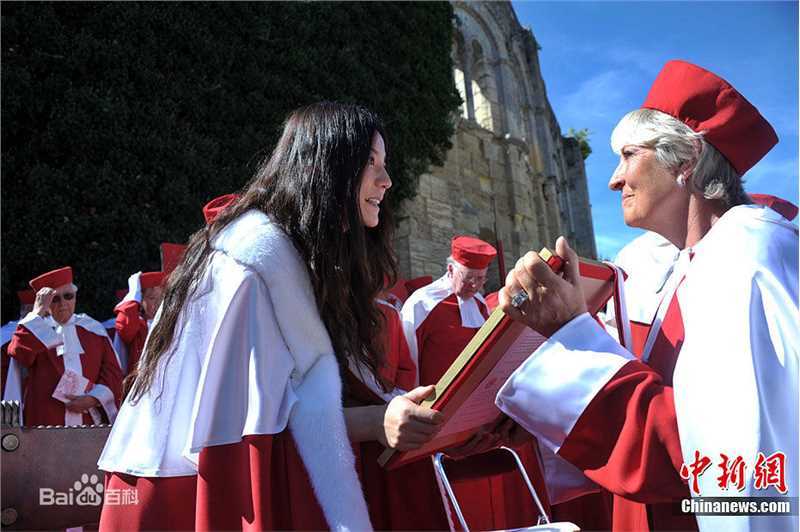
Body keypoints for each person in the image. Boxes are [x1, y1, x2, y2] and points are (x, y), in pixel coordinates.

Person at [97, 102, 444, 531]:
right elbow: (255, 430)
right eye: (371, 163)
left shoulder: (293, 257)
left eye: (384, 164)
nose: (387, 181)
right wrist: (377, 421)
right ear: (327, 168)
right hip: (176, 495)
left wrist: (389, 413)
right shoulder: (251, 264)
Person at [496, 60, 798, 532]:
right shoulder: (694, 262)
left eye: (628, 156)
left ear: (687, 161)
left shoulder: (749, 257)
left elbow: (729, 472)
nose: (614, 180)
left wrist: (568, 334)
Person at [401, 237, 549, 531]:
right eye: (468, 278)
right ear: (450, 269)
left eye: (480, 280)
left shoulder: (482, 307)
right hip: (436, 418)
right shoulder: (422, 303)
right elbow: (408, 362)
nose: (473, 286)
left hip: (476, 421)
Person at [7, 266, 123, 426]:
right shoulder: (34, 329)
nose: (63, 304)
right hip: (45, 420)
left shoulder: (93, 329)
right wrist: (37, 313)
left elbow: (113, 372)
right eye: (55, 299)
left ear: (75, 297)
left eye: (68, 296)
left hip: (88, 419)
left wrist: (94, 398)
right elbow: (19, 353)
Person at [113, 271, 165, 377]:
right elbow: (125, 329)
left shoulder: (172, 322)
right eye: (152, 298)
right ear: (141, 300)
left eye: (162, 298)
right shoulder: (138, 326)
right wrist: (133, 295)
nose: (158, 303)